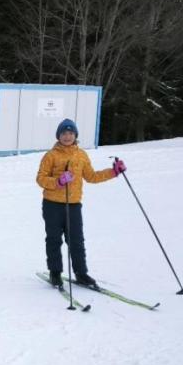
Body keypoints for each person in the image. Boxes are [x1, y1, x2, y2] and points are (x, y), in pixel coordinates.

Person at [36, 117, 124, 290]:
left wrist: (113, 172)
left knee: (76, 240)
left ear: (75, 135)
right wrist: (58, 181)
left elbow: (91, 176)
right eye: (64, 133)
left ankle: (81, 273)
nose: (67, 136)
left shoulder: (81, 155)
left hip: (74, 204)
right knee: (54, 239)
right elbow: (40, 178)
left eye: (70, 133)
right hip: (52, 205)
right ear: (58, 136)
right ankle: (55, 272)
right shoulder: (51, 155)